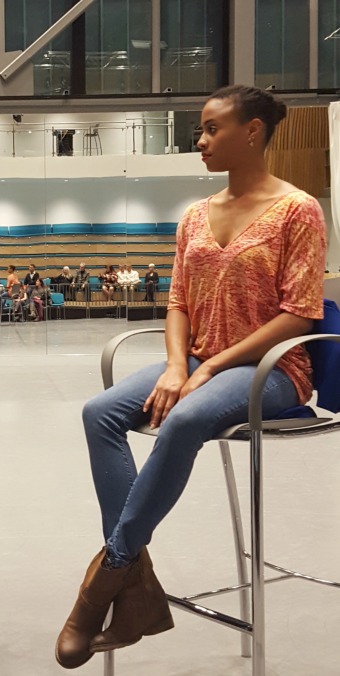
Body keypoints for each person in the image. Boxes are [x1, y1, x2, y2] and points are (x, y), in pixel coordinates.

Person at [56, 85, 327, 669]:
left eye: (210, 129)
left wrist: (211, 370)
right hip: (200, 358)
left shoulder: (298, 209)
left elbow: (299, 311)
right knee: (99, 412)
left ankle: (104, 584)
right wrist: (180, 366)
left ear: (251, 131)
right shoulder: (195, 216)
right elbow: (178, 300)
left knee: (185, 417)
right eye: (199, 131)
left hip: (272, 369)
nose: (199, 141)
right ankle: (138, 590)